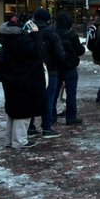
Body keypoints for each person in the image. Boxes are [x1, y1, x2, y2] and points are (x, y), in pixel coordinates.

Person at [0, 17, 45, 149]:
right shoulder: (22, 40)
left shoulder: (6, 39)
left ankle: (9, 139)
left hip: (10, 79)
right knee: (24, 111)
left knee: (13, 110)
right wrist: (36, 34)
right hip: (25, 79)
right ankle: (19, 140)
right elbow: (38, 53)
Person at [31, 9, 66, 139]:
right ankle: (47, 127)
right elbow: (60, 54)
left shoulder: (28, 32)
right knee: (48, 99)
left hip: (32, 70)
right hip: (50, 71)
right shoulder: (52, 34)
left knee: (33, 98)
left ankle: (30, 126)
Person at [55, 12, 85, 125]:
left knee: (54, 93)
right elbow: (80, 51)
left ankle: (51, 116)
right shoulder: (71, 34)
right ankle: (71, 117)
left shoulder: (52, 33)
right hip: (70, 66)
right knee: (71, 93)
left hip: (56, 66)